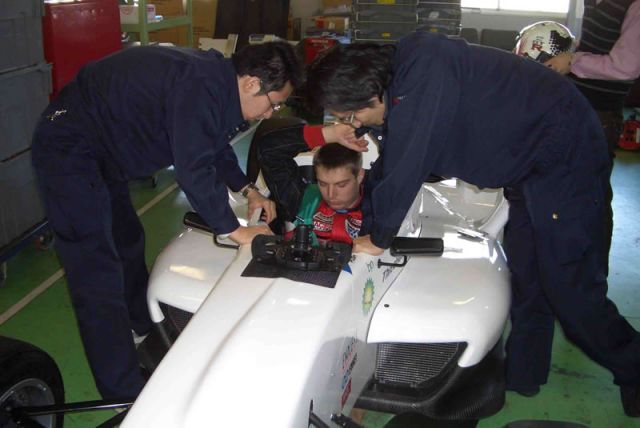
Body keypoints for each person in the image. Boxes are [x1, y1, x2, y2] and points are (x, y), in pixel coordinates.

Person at [306, 32, 640, 417]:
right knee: (529, 274)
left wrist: (379, 236)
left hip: (565, 158)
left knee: (572, 290)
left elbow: (407, 163)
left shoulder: (423, 74)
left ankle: (634, 366)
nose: (353, 124)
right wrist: (367, 223)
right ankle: (524, 375)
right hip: (529, 166)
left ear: (369, 91)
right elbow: (393, 159)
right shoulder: (404, 78)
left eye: (351, 115)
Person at [31, 41, 301, 399]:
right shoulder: (200, 84)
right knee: (96, 273)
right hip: (68, 147)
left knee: (128, 240)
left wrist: (248, 188)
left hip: (102, 151)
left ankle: (144, 327)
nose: (270, 115)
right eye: (274, 104)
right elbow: (193, 169)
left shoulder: (219, 81)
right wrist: (237, 232)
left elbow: (213, 144)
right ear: (252, 83)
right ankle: (123, 393)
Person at [543, 0, 640, 266]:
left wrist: (573, 61)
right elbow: (594, 44)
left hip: (600, 117)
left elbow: (626, 66)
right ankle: (565, 274)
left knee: (592, 200)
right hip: (577, 107)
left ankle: (591, 284)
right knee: (568, 194)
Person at [255, 121, 366, 244]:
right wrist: (327, 134)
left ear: (360, 176)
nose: (331, 195)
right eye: (323, 184)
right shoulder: (302, 199)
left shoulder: (380, 211)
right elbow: (268, 149)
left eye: (341, 185)